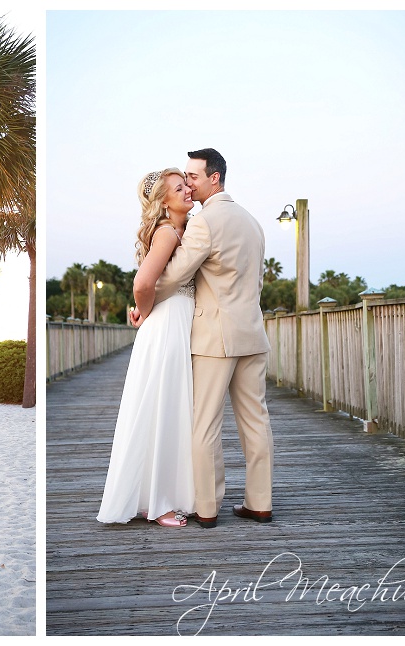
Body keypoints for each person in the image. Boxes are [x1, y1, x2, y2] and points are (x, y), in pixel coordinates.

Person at [134, 148, 273, 529]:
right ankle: (260, 503)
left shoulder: (205, 222)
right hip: (254, 333)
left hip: (216, 338)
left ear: (214, 177)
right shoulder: (253, 222)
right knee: (256, 422)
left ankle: (208, 508)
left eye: (193, 176)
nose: (189, 183)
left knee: (205, 425)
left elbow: (174, 276)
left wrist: (142, 307)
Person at [97, 168, 197, 527]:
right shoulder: (168, 232)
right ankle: (161, 504)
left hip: (173, 323)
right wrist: (148, 311)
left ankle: (152, 497)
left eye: (187, 184)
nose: (187, 190)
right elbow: (142, 283)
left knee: (164, 408)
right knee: (165, 409)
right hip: (167, 326)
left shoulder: (179, 230)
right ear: (163, 201)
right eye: (178, 187)